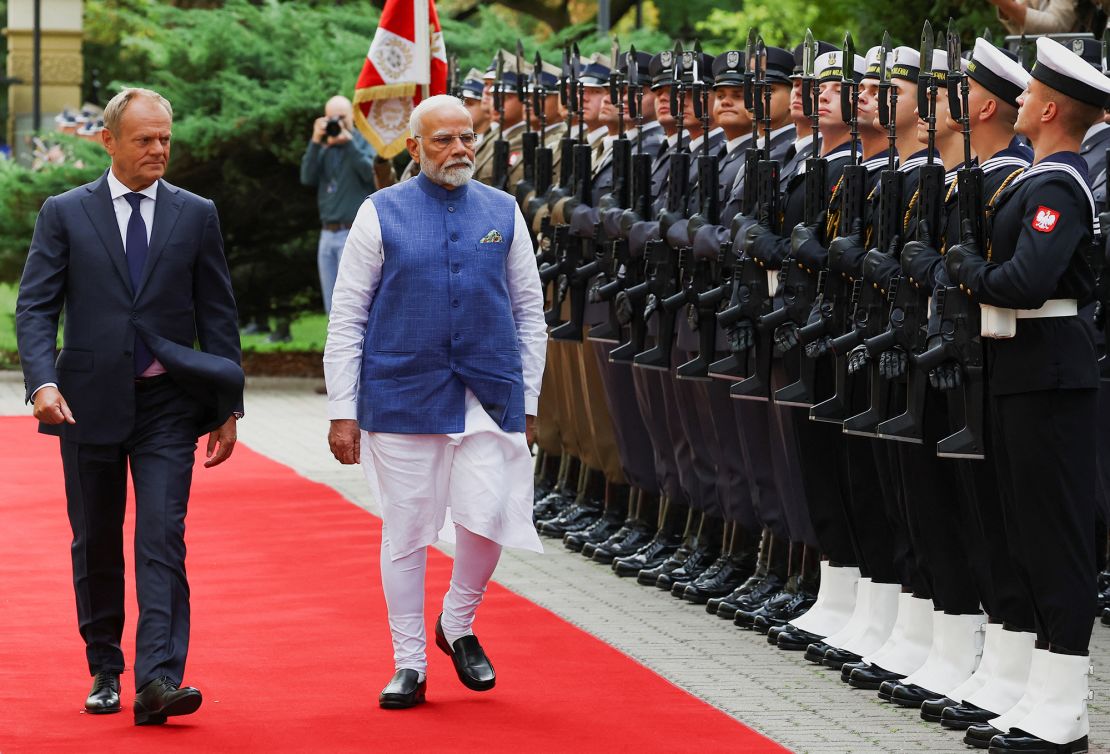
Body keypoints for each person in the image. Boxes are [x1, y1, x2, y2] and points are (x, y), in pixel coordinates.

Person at [15, 87, 244, 725]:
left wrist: (229, 405)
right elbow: (35, 305)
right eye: (145, 139)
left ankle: (159, 679)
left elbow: (218, 314)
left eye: (165, 138)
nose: (158, 150)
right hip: (84, 404)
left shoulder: (195, 214)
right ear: (109, 141)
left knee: (162, 537)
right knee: (95, 541)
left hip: (169, 401)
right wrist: (41, 384)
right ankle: (105, 668)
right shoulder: (65, 213)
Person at [324, 94, 546, 710]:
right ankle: (410, 662)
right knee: (408, 528)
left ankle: (458, 620)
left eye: (467, 137)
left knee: (490, 512)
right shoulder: (380, 212)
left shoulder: (503, 210)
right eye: (444, 140)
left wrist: (528, 396)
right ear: (414, 148)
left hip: (488, 390)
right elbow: (347, 318)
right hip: (401, 391)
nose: (460, 150)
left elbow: (530, 311)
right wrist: (343, 410)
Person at [300, 95, 379, 315]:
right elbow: (307, 177)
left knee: (354, 303)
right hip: (327, 234)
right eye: (330, 117)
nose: (336, 122)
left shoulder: (364, 142)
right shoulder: (325, 148)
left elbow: (371, 176)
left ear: (352, 116)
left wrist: (349, 143)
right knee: (332, 305)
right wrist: (315, 141)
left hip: (353, 232)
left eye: (341, 117)